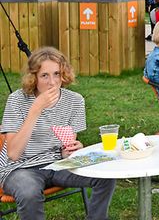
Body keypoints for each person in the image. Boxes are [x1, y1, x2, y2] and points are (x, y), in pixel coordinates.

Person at [0, 47, 116, 220]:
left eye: (56, 74)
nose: (52, 82)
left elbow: (66, 144)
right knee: (29, 192)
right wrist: (36, 109)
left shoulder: (75, 101)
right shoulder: (17, 100)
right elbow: (13, 153)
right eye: (44, 75)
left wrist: (69, 150)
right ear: (34, 77)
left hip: (57, 163)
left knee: (106, 174)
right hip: (19, 168)